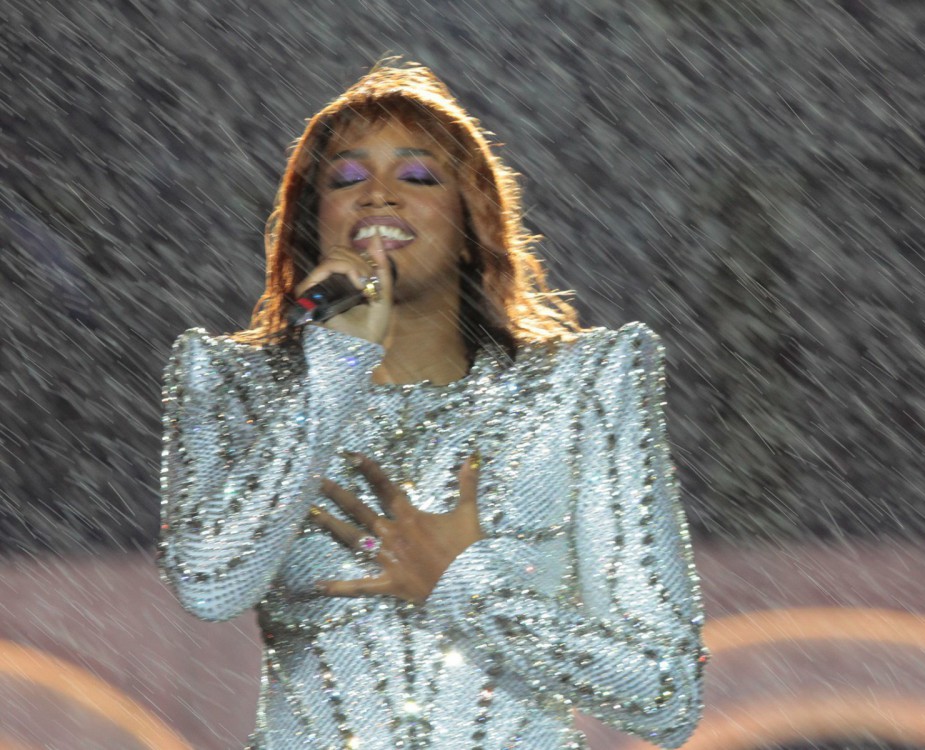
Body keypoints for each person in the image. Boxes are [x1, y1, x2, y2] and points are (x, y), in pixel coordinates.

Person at [156, 58, 707, 750]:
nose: (379, 196)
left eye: (417, 177)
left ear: (473, 216)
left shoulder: (580, 386)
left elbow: (665, 692)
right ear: (310, 219)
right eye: (347, 178)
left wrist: (461, 587)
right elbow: (210, 584)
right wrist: (333, 370)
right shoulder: (235, 381)